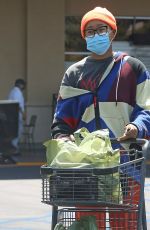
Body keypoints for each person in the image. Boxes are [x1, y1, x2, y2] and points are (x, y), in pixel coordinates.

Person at [51, 6, 150, 229]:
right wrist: (62, 138)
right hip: (87, 163)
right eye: (90, 31)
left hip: (126, 159)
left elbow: (147, 108)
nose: (96, 34)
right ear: (84, 36)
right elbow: (62, 120)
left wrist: (137, 125)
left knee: (124, 222)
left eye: (101, 29)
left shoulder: (132, 68)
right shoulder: (74, 73)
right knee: (88, 222)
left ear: (113, 32)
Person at [8, 78, 26, 153]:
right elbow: (18, 105)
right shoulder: (17, 92)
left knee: (14, 132)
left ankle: (14, 148)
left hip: (12, 115)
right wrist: (23, 114)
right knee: (17, 132)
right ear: (20, 85)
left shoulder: (12, 91)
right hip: (16, 116)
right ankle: (14, 148)